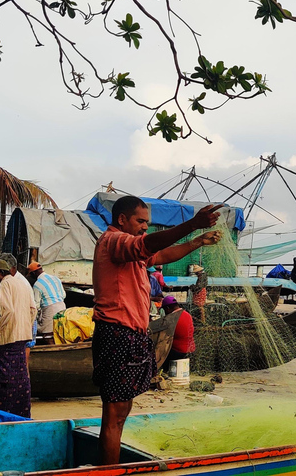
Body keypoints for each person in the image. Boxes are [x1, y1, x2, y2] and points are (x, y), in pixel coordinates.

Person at [92, 195, 223, 465]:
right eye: (140, 221)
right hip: (118, 335)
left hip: (130, 335)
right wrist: (192, 225)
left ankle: (110, 468)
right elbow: (149, 244)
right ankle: (110, 472)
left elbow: (160, 254)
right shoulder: (114, 241)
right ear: (122, 219)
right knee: (114, 415)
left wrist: (197, 241)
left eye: (147, 223)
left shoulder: (133, 252)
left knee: (122, 411)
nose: (145, 227)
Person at [0, 259, 37, 418]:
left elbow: (8, 312)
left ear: (0, 273)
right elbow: (32, 309)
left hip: (7, 339)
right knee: (19, 378)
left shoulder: (5, 284)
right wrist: (24, 326)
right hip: (21, 338)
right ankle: (19, 413)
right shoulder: (21, 283)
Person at [0, 253, 37, 357]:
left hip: (23, 325)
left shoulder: (13, 281)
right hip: (23, 325)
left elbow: (10, 310)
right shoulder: (13, 280)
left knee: (22, 360)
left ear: (13, 268)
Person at [27, 262, 66, 344]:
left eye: (31, 275)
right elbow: (63, 295)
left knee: (48, 335)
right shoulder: (56, 278)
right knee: (60, 332)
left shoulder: (37, 285)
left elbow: (36, 305)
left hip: (50, 309)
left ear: (34, 273)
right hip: (62, 306)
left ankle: (52, 352)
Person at [160, 295, 195, 372]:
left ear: (168, 308)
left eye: (164, 310)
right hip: (191, 350)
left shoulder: (172, 318)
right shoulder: (187, 314)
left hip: (178, 351)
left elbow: (164, 336)